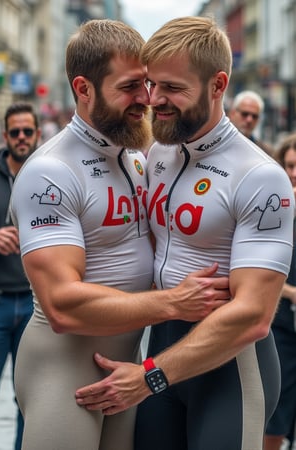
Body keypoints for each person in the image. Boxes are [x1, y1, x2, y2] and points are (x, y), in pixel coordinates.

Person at [75, 17, 295, 450]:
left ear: (218, 85)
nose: (156, 100)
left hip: (231, 366)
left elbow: (254, 314)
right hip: (163, 347)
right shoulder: (158, 152)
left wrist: (148, 376)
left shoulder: (260, 175)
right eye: (152, 84)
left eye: (173, 88)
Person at [9, 19, 230, 450]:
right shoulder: (50, 171)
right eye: (130, 87)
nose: (145, 99)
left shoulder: (132, 155)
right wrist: (172, 303)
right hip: (65, 368)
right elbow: (61, 306)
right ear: (84, 88)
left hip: (126, 363)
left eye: (146, 84)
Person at [0, 102, 41, 450]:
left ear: (38, 133)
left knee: (28, 401)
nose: (22, 138)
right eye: (15, 132)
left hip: (34, 304)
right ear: (5, 135)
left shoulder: (50, 173)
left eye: (28, 131)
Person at [264, 134, 296, 450]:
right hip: (281, 326)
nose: (295, 173)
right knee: (275, 415)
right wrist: (288, 292)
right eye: (290, 166)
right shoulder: (272, 208)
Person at [228, 90, 274, 156]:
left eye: (254, 116)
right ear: (232, 113)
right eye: (245, 114)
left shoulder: (265, 153)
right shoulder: (215, 145)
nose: (249, 120)